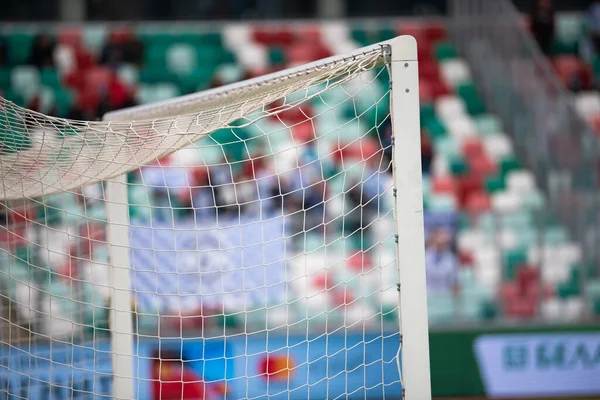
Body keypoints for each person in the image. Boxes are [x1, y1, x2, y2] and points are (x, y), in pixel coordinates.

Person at [424, 228, 459, 295]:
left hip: (445, 297)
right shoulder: (425, 257)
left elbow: (454, 282)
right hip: (428, 296)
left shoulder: (451, 259)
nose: (441, 245)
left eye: (444, 243)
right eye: (438, 243)